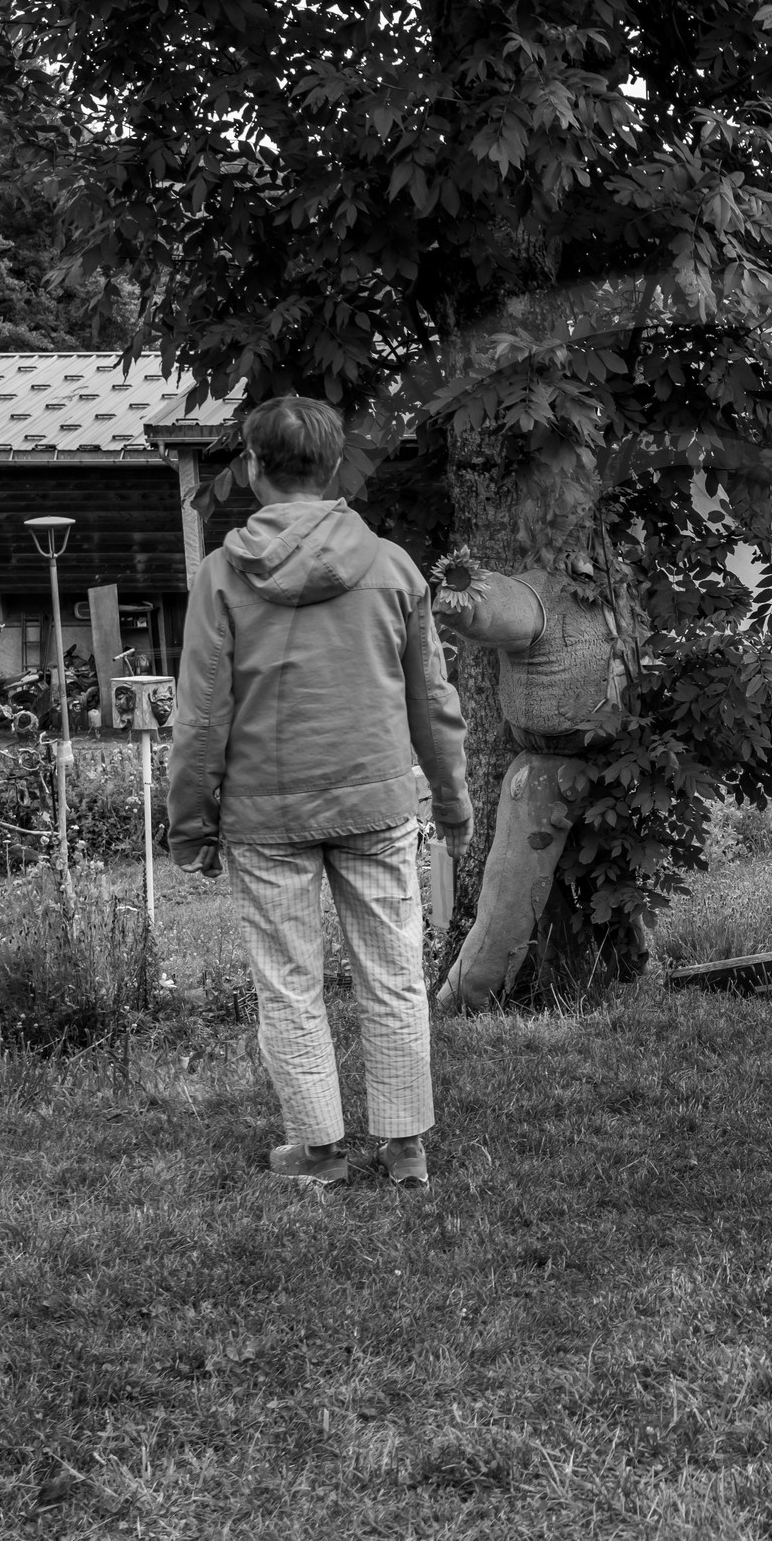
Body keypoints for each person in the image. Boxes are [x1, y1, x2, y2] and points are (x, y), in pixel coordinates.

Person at [166, 396, 474, 1191]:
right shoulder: (392, 566)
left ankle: (321, 1152)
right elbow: (432, 699)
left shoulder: (223, 575)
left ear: (256, 470)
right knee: (395, 970)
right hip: (374, 803)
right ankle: (406, 1148)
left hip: (268, 815)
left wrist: (190, 827)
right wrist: (452, 802)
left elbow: (201, 714)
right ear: (334, 469)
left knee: (289, 982)